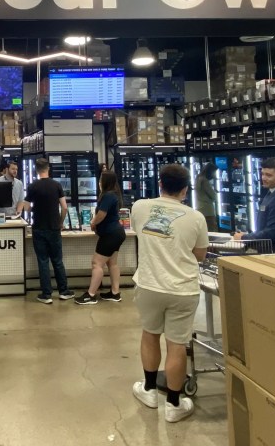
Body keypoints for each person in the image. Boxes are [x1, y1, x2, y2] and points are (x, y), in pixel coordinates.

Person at [130, 164, 209, 423]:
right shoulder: (196, 218)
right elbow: (199, 255)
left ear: (160, 183)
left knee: (150, 334)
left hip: (149, 285)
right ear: (185, 189)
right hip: (183, 289)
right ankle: (174, 404)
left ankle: (150, 390)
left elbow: (138, 233)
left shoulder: (140, 207)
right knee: (177, 344)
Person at [17, 158, 74, 304]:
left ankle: (46, 294)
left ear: (36, 170)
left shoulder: (33, 186)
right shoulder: (56, 185)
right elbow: (65, 207)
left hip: (39, 228)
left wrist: (34, 209)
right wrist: (60, 222)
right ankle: (63, 291)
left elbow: (26, 207)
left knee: (43, 261)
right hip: (54, 228)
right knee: (58, 261)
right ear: (48, 168)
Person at [76, 171, 126, 305]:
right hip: (117, 233)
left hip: (110, 234)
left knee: (96, 263)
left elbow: (101, 214)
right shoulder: (114, 195)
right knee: (112, 263)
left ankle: (91, 295)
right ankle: (115, 293)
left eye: (100, 180)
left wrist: (93, 223)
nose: (98, 183)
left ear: (105, 182)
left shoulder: (108, 196)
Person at [233, 157, 275, 248]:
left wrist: (244, 237)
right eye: (262, 174)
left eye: (269, 175)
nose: (263, 178)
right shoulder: (273, 192)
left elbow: (271, 233)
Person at [195, 163, 219, 233]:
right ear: (210, 171)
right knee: (212, 229)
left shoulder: (198, 178)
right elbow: (213, 195)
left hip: (199, 207)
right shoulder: (205, 181)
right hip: (208, 209)